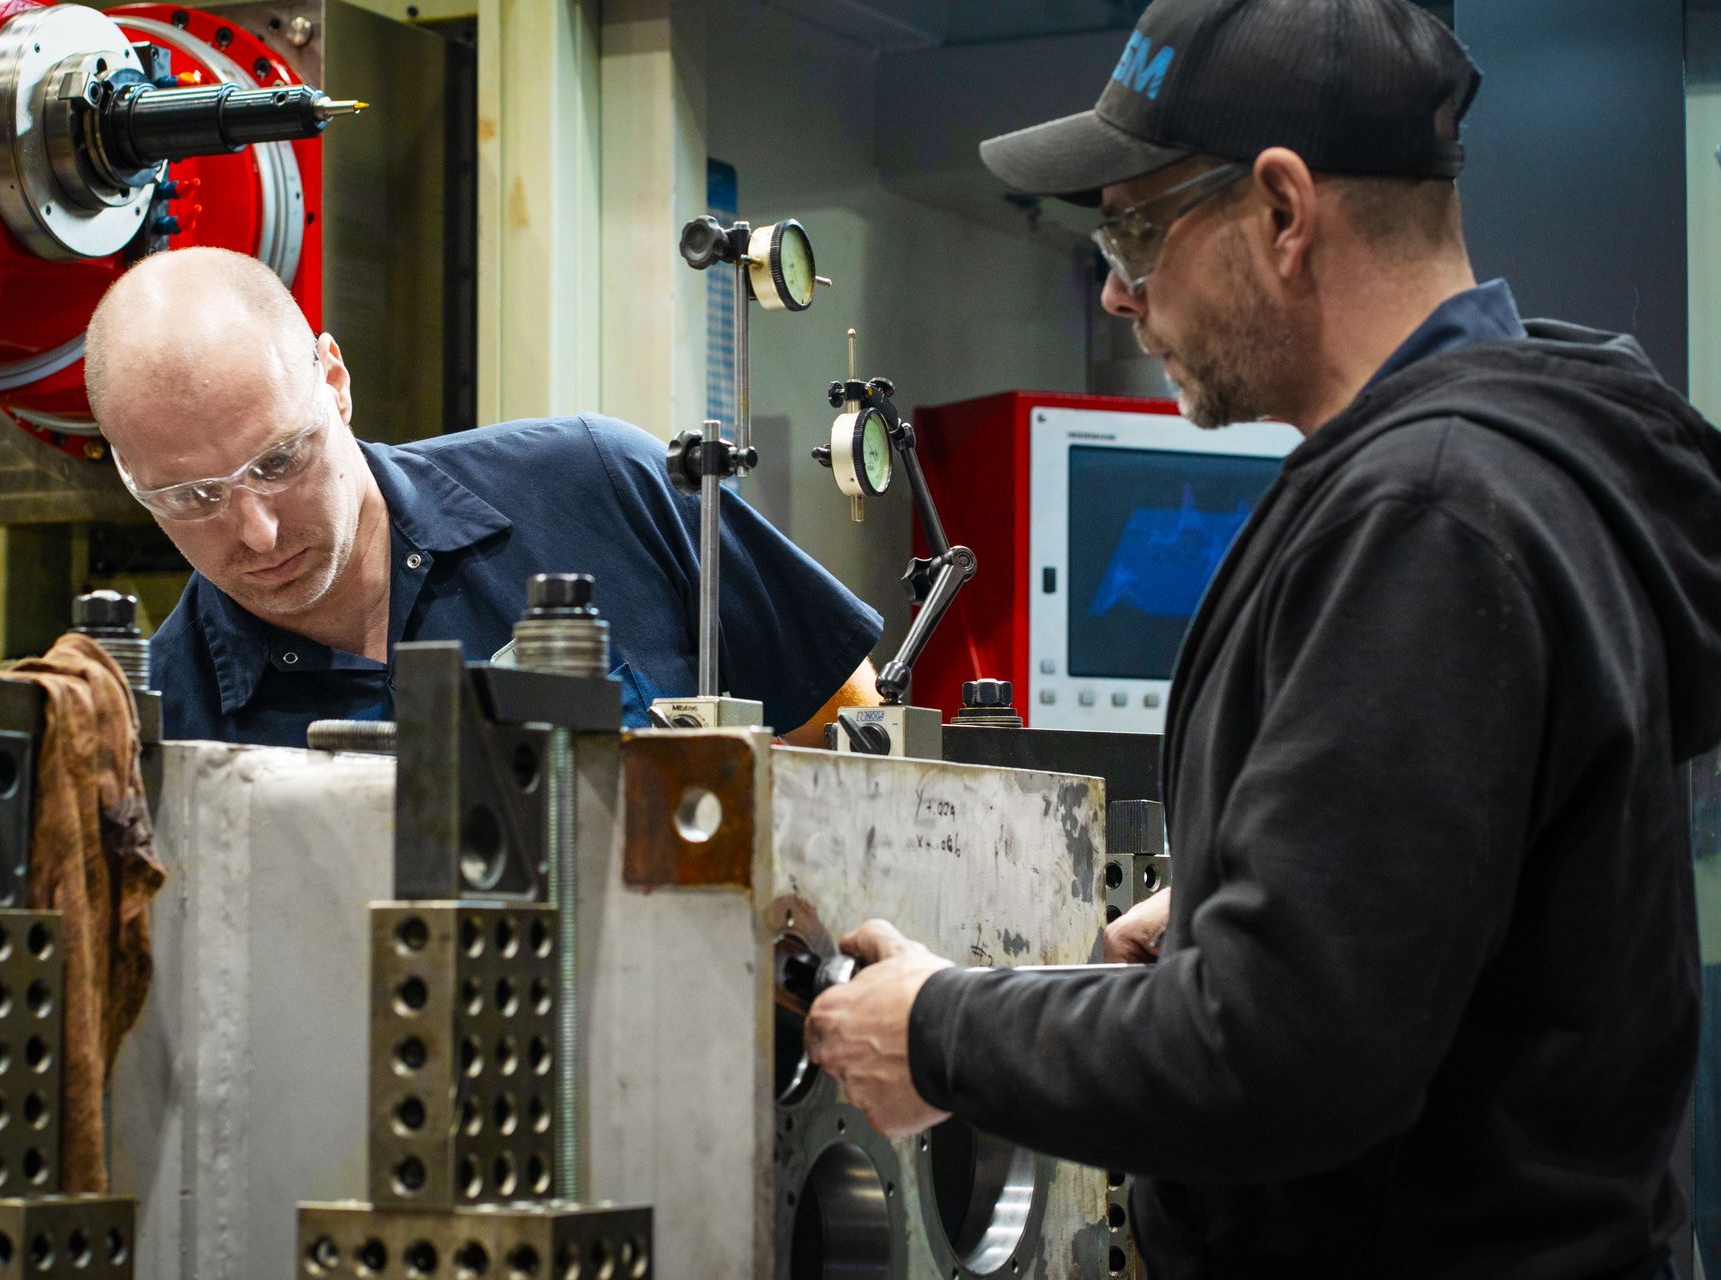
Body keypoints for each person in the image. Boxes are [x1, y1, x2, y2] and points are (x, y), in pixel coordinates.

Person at [805, 0, 1721, 1276]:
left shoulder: (1432, 514)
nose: (1120, 291)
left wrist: (941, 1032)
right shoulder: (1511, 470)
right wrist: (1270, 884)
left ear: (1285, 213)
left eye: (1135, 226)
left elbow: (1278, 1060)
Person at [83, 247, 882, 746]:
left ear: (334, 380)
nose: (255, 532)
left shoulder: (601, 485)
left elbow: (841, 717)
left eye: (279, 460)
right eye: (190, 498)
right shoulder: (161, 723)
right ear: (129, 478)